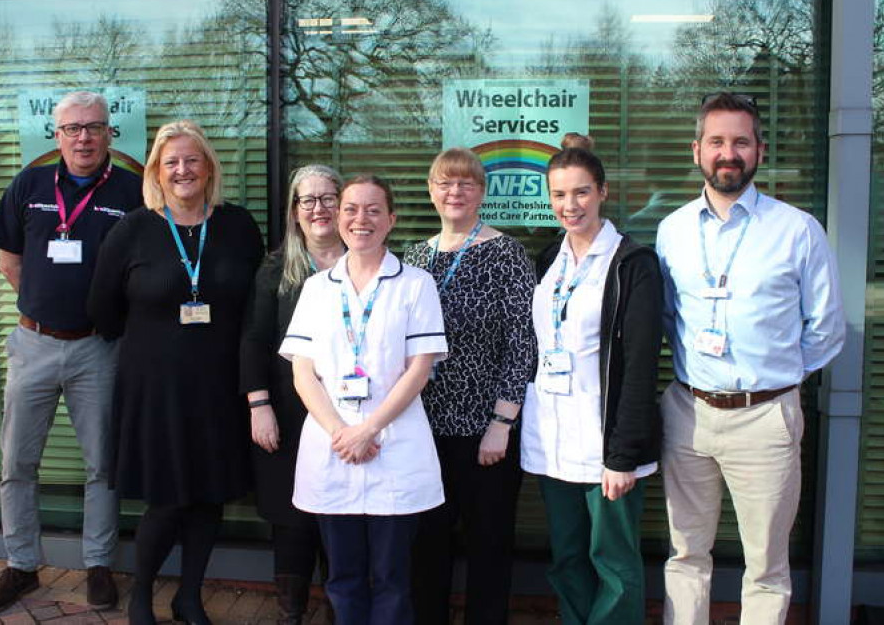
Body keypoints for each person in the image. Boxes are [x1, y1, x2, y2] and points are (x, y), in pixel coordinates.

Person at [655, 93, 845, 625]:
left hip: (766, 418)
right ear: (697, 150)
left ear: (759, 150)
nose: (728, 153)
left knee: (765, 566)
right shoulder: (672, 230)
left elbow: (826, 328)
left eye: (740, 141)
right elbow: (669, 318)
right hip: (688, 412)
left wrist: (773, 377)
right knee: (686, 554)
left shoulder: (796, 229)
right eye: (717, 141)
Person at [88, 120, 264, 625]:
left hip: (218, 386)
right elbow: (102, 310)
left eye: (192, 160)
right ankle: (142, 595)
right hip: (155, 389)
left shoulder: (237, 226)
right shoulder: (133, 229)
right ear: (156, 174)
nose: (182, 170)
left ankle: (189, 596)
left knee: (208, 497)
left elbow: (253, 303)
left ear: (209, 168)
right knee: (166, 500)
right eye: (171, 163)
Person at [0, 91, 141, 613]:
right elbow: (9, 258)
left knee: (102, 465)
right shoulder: (29, 185)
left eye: (94, 127)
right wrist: (43, 311)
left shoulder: (133, 191)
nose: (84, 137)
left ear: (110, 133)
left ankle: (97, 565)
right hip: (33, 344)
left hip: (99, 348)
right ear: (57, 135)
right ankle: (21, 565)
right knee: (17, 461)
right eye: (73, 128)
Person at [279, 174, 447, 625]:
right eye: (351, 209)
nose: (361, 219)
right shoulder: (317, 288)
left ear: (390, 220)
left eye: (374, 210)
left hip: (393, 446)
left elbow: (419, 369)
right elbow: (302, 369)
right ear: (337, 218)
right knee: (343, 576)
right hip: (334, 451)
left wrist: (368, 430)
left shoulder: (416, 284)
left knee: (392, 577)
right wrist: (342, 434)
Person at [522, 133, 662, 625]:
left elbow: (642, 366)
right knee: (567, 558)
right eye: (559, 194)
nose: (570, 204)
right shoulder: (548, 261)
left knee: (615, 564)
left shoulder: (632, 264)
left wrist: (623, 454)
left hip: (607, 448)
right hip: (553, 442)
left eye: (581, 192)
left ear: (602, 192)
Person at [404, 148, 536, 625]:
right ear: (431, 191)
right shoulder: (415, 257)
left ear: (482, 192)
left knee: (488, 545)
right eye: (445, 183)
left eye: (465, 184)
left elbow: (523, 343)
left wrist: (503, 422)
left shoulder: (506, 254)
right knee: (427, 543)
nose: (454, 192)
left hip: (486, 433)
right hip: (422, 429)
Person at [240, 164, 345, 624]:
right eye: (309, 200)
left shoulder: (370, 261)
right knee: (293, 522)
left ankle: (341, 611)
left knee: (343, 522)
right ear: (295, 212)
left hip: (349, 418)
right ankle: (292, 613)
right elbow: (254, 341)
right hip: (288, 413)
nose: (319, 209)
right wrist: (259, 405)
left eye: (328, 198)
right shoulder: (276, 269)